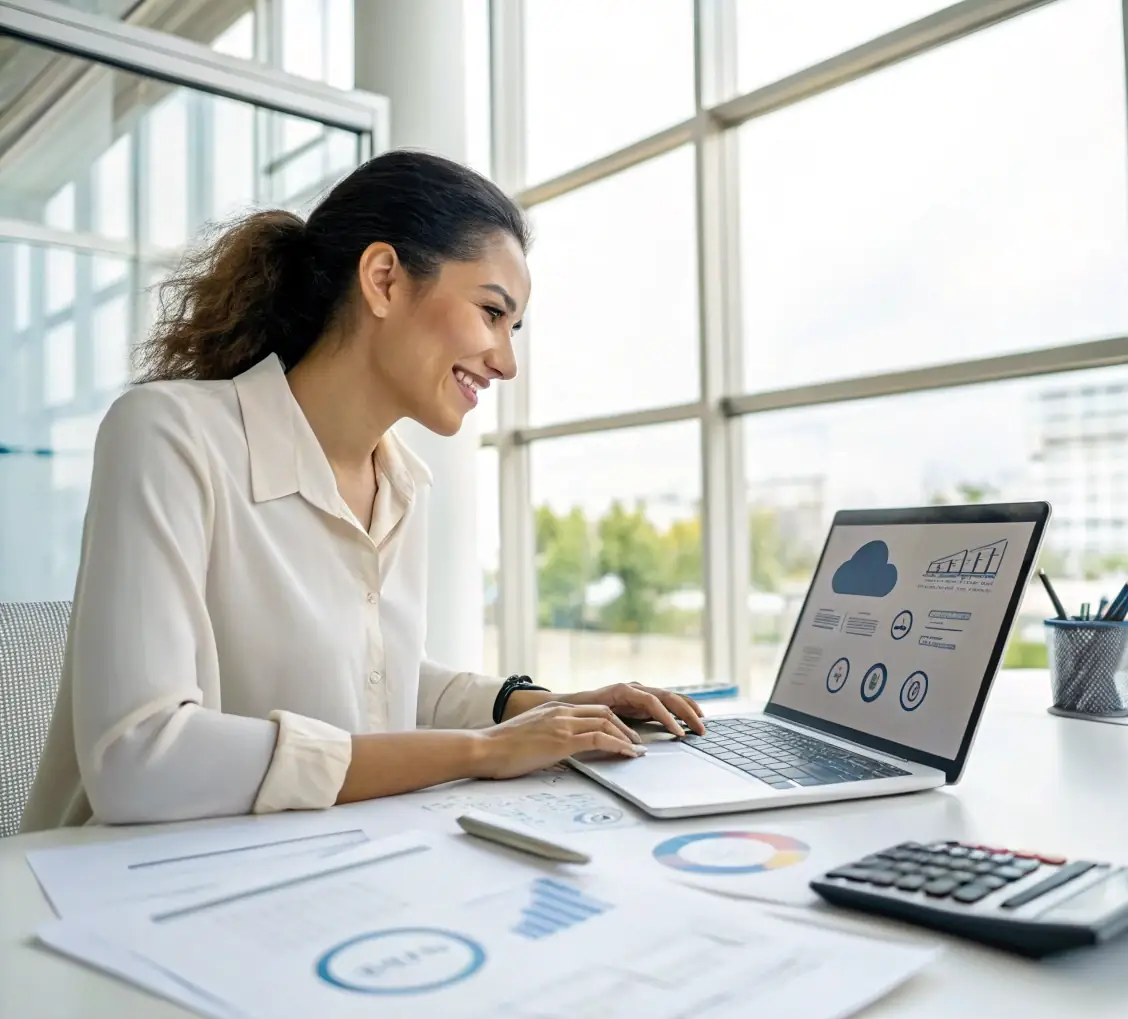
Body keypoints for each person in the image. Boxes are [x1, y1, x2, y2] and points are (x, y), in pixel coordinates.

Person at [21, 149, 704, 831]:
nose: (506, 361)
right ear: (383, 280)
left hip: (302, 861)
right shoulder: (169, 434)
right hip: (109, 892)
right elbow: (140, 759)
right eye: (491, 313)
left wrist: (541, 708)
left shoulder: (404, 483)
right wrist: (480, 750)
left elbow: (376, 684)